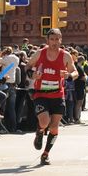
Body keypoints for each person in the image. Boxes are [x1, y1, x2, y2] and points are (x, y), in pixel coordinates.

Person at [25, 28, 77, 165]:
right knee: (44, 122)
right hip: (41, 94)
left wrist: (69, 76)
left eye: (57, 39)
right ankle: (40, 131)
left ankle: (46, 154)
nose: (54, 42)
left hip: (58, 95)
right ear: (47, 40)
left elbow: (75, 71)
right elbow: (27, 67)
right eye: (52, 39)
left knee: (54, 127)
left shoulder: (65, 56)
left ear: (61, 40)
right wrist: (32, 74)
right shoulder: (39, 54)